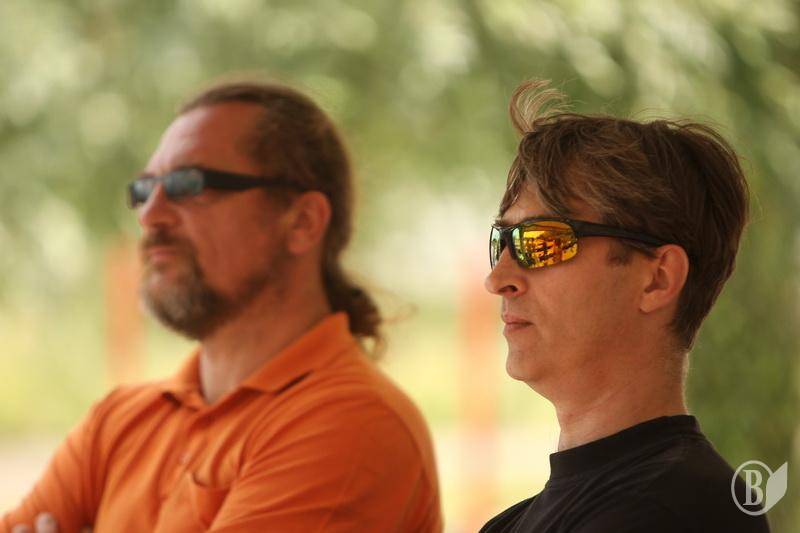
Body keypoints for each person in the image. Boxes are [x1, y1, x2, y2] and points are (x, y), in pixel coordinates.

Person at [2, 81, 442, 533]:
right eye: (145, 189)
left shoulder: (353, 425)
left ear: (303, 222)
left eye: (188, 184)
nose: (149, 215)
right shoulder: (117, 423)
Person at [480, 80, 770, 532]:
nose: (498, 280)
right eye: (503, 240)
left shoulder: (677, 511)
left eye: (542, 243)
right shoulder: (516, 521)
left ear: (657, 279)